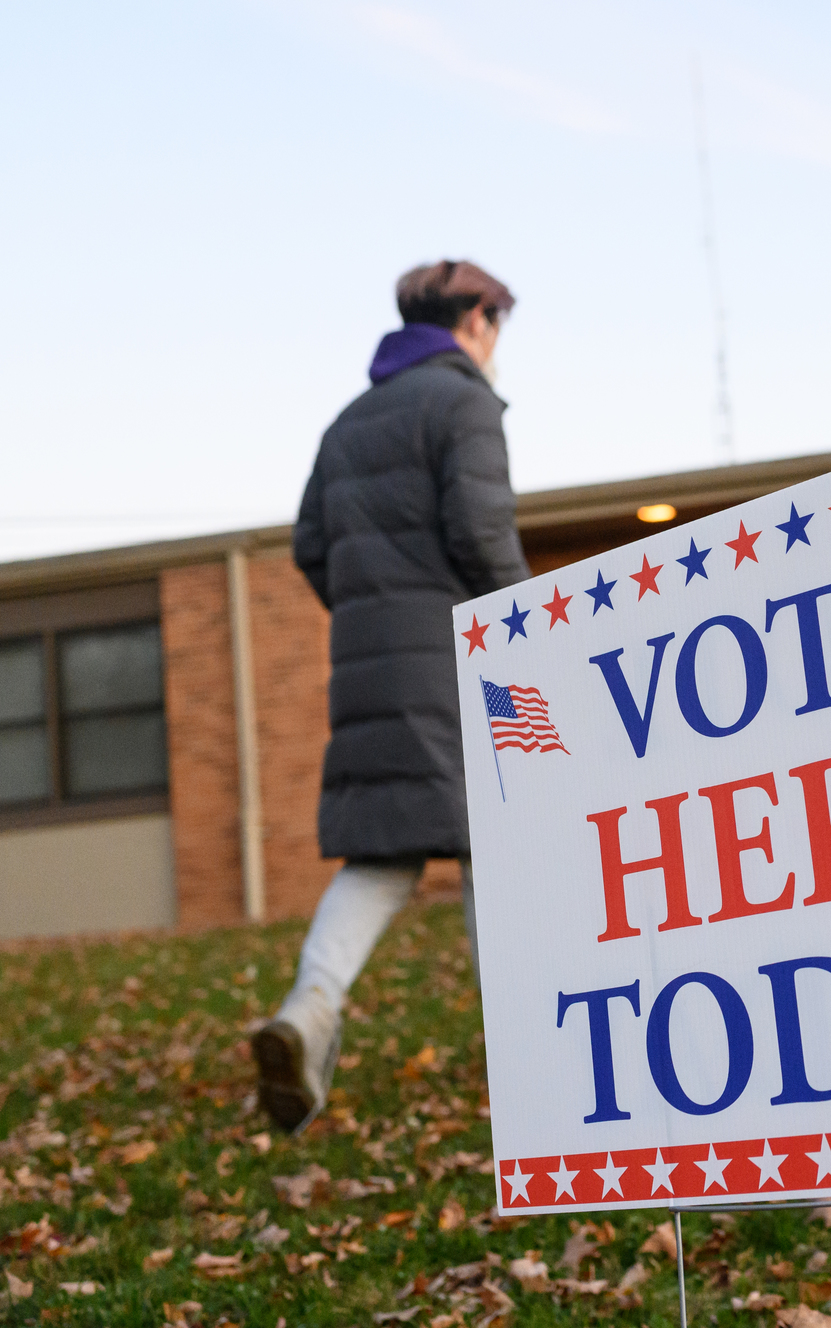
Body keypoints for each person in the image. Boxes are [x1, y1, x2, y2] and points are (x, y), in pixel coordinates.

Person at [254, 260, 531, 1132]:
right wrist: (532, 628)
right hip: (456, 661)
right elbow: (481, 533)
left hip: (370, 666)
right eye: (499, 326)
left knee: (382, 854)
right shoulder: (464, 403)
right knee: (500, 840)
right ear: (477, 318)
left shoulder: (347, 424)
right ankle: (527, 1057)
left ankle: (310, 1008)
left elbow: (309, 545)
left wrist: (374, 612)